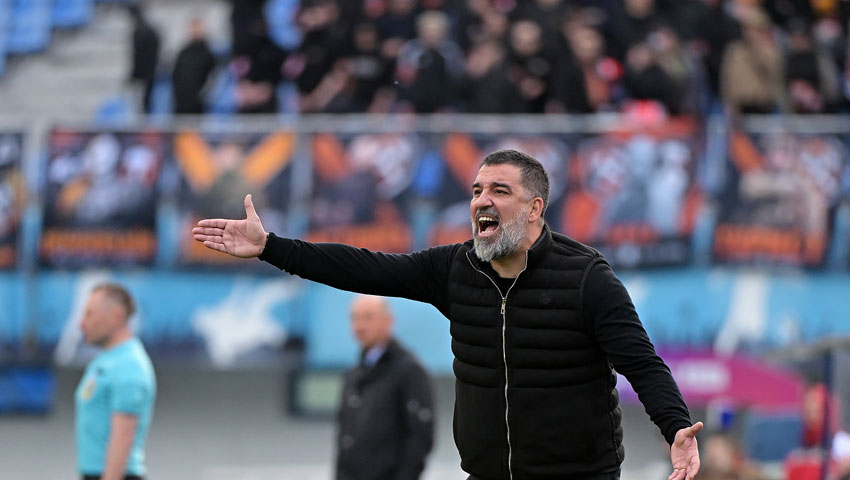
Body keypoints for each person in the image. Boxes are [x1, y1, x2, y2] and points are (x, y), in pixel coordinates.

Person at [193, 149, 703, 480]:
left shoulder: (588, 278)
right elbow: (364, 268)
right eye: (477, 191)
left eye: (499, 191)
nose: (482, 200)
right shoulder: (455, 268)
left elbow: (642, 363)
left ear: (535, 209)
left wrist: (675, 427)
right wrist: (272, 248)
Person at [336, 294, 434, 480]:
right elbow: (345, 439)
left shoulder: (408, 370)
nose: (359, 326)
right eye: (354, 318)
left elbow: (420, 437)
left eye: (368, 317)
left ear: (388, 321)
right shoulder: (354, 374)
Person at [76, 283, 156, 480]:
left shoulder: (129, 367)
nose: (82, 323)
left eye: (89, 314)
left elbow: (122, 438)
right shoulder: (108, 357)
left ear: (116, 317)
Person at [172, 17, 216, 115]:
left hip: (198, 104)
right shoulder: (183, 53)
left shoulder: (207, 54)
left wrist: (202, 96)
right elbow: (176, 75)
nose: (195, 31)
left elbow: (212, 77)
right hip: (181, 102)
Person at [127, 5, 160, 114]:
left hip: (144, 75)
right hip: (151, 72)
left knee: (142, 105)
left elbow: (137, 56)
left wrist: (134, 74)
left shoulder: (139, 31)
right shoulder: (151, 30)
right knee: (147, 103)